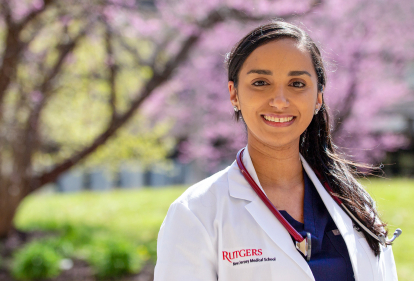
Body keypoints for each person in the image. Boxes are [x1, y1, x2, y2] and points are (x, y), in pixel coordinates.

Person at [154, 21, 398, 281]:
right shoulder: (197, 212)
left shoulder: (354, 201)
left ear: (318, 97)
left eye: (297, 84)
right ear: (234, 94)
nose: (280, 101)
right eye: (260, 82)